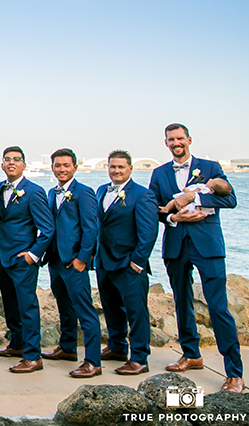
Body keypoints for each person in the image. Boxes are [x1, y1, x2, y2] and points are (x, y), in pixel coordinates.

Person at [149, 124, 243, 393]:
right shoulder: (159, 174)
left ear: (189, 140)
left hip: (208, 246)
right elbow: (153, 210)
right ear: (166, 143)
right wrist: (172, 217)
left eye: (180, 138)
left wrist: (196, 196)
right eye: (171, 139)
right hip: (176, 244)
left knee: (218, 307)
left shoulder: (211, 168)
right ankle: (191, 354)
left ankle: (234, 373)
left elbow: (231, 200)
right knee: (181, 301)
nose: (176, 142)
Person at [0, 147, 54, 374]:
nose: (11, 163)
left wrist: (32, 255)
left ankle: (33, 356)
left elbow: (47, 229)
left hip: (23, 259)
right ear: (2, 164)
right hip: (1, 255)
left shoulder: (34, 191)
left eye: (16, 160)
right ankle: (16, 344)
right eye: (7, 160)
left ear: (24, 165)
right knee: (10, 304)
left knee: (27, 306)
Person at [95, 150, 158, 375]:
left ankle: (139, 358)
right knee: (111, 308)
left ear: (130, 169)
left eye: (121, 167)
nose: (116, 171)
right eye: (113, 167)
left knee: (136, 311)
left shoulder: (143, 195)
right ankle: (117, 346)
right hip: (104, 261)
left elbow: (149, 232)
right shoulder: (101, 190)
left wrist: (137, 263)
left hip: (128, 264)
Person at [41, 148, 102, 378]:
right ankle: (67, 347)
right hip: (55, 260)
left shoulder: (84, 193)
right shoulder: (51, 193)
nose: (62, 169)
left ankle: (93, 362)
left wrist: (82, 259)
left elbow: (91, 228)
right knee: (64, 306)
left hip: (73, 261)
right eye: (58, 165)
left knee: (84, 309)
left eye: (66, 165)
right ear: (52, 167)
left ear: (75, 167)